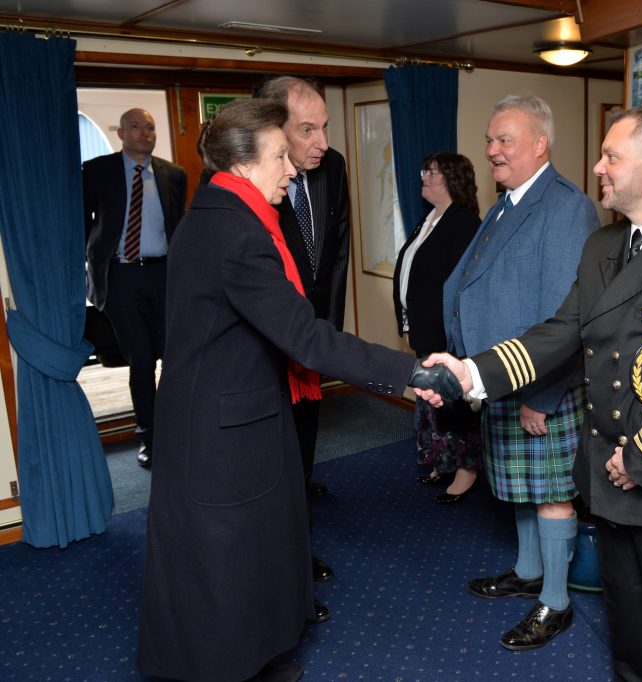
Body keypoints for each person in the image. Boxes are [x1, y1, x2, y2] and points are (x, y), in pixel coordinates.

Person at [421, 106, 642, 680]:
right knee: (629, 629)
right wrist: (471, 374)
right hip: (607, 469)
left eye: (611, 156)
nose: (598, 167)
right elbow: (559, 334)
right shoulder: (604, 247)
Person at [135, 98, 431, 682]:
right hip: (219, 431)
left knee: (250, 550)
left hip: (230, 412)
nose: (292, 169)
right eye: (279, 156)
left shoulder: (221, 213)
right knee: (222, 561)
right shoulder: (235, 233)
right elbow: (305, 336)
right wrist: (411, 373)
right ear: (243, 165)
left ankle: (255, 659)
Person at [442, 93, 599, 650]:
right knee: (520, 486)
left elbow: (566, 315)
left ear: (540, 144)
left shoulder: (566, 206)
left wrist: (546, 395)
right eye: (489, 139)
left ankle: (555, 603)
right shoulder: (506, 203)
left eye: (505, 139)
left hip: (536, 384)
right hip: (499, 379)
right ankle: (528, 571)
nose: (491, 150)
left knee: (551, 491)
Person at [255, 76, 352, 592]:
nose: (322, 144)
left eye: (326, 128)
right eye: (307, 130)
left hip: (314, 335)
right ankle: (287, 554)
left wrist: (327, 335)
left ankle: (297, 522)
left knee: (305, 436)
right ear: (273, 130)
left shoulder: (332, 167)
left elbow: (336, 257)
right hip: (269, 342)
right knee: (272, 450)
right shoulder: (245, 184)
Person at [83, 108, 186, 468]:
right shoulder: (97, 171)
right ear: (122, 133)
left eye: (150, 127)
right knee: (141, 360)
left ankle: (178, 430)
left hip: (164, 277)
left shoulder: (174, 175)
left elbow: (179, 229)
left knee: (174, 357)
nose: (145, 133)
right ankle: (150, 438)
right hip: (121, 277)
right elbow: (82, 224)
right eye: (136, 127)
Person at [393, 152, 483, 503]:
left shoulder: (463, 223)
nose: (424, 177)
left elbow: (461, 288)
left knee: (453, 402)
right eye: (425, 170)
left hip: (448, 336)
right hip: (424, 329)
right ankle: (441, 461)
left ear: (452, 179)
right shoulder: (430, 218)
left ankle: (465, 470)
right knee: (431, 402)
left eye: (431, 172)